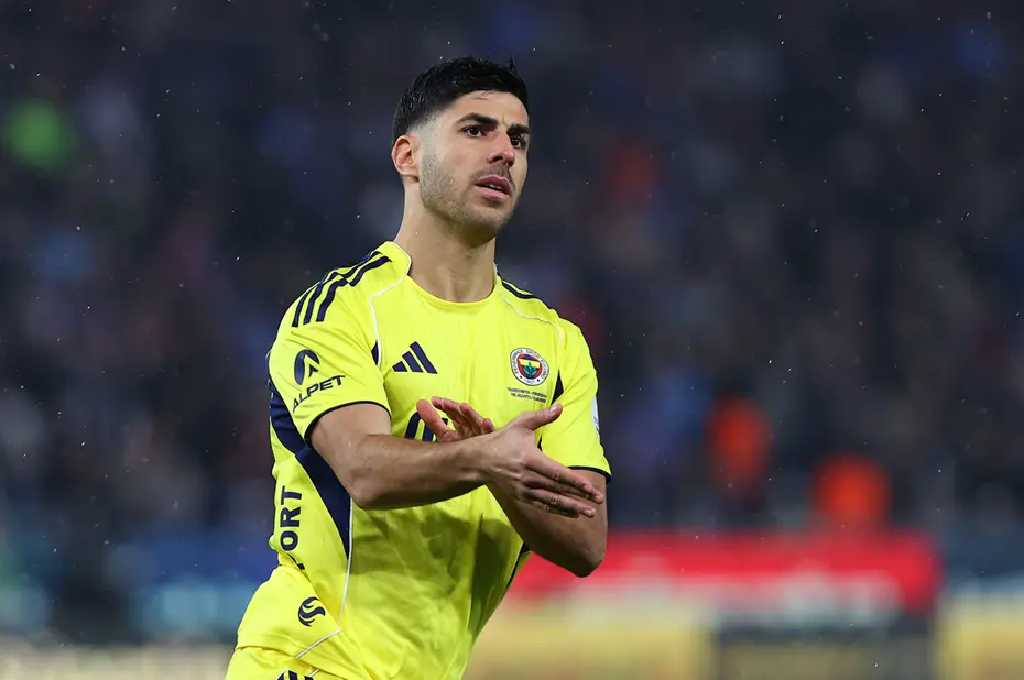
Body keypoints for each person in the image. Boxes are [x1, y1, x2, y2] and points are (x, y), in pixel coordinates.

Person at [226, 56, 610, 680]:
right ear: (408, 156)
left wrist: (502, 472)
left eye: (518, 140)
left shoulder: (556, 344)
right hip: (309, 662)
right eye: (476, 129)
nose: (504, 152)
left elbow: (586, 541)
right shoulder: (340, 311)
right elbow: (364, 470)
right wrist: (485, 459)